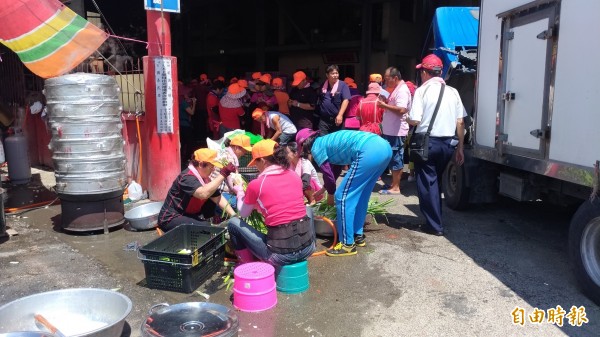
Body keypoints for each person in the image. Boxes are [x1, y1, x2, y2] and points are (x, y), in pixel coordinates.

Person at [296, 128, 392, 256]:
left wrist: (330, 195)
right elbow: (334, 170)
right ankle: (358, 235)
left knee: (342, 197)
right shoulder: (327, 141)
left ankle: (347, 245)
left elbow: (329, 175)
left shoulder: (316, 147)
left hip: (369, 150)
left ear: (304, 144)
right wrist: (325, 188)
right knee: (361, 195)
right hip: (384, 148)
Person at [227, 139, 316, 267]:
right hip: (308, 249)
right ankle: (307, 243)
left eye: (256, 163)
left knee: (233, 223)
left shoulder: (257, 184)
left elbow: (244, 213)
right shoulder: (294, 175)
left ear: (263, 161)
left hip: (280, 256)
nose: (256, 167)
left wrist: (240, 191)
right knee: (307, 209)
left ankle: (247, 265)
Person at [408, 54, 466, 236]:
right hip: (448, 144)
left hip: (428, 143)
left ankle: (434, 225)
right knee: (435, 182)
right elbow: (461, 122)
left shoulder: (421, 91)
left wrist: (406, 118)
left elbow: (415, 120)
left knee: (427, 184)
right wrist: (461, 148)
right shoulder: (453, 92)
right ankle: (436, 219)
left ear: (425, 72)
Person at [158, 148, 237, 232]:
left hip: (188, 215)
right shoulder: (186, 177)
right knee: (207, 228)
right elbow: (203, 194)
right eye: (212, 166)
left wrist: (234, 215)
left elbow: (218, 198)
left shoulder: (205, 179)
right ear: (201, 164)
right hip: (171, 218)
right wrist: (223, 174)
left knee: (212, 218)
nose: (213, 169)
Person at [377, 67, 412, 195]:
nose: (385, 81)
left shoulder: (402, 90)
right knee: (392, 157)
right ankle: (393, 183)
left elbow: (402, 109)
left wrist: (384, 105)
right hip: (391, 130)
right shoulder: (395, 89)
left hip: (396, 131)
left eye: (387, 79)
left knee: (396, 157)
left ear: (395, 78)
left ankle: (396, 187)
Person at [317, 65, 352, 135]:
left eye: (336, 73)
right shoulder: (323, 85)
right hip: (324, 120)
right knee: (323, 140)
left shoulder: (343, 85)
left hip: (337, 119)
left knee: (338, 141)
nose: (335, 75)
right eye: (332, 73)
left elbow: (346, 100)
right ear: (327, 75)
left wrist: (340, 115)